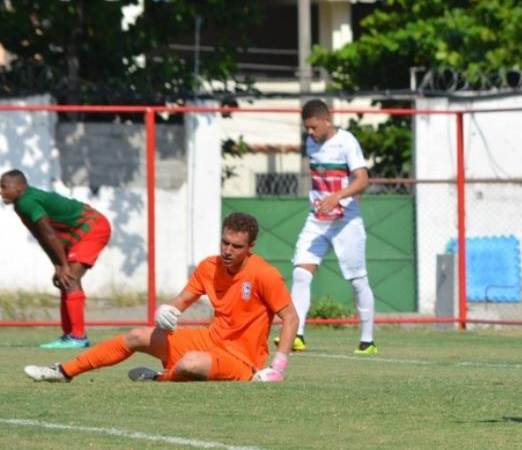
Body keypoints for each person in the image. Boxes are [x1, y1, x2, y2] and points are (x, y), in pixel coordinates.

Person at [24, 211, 300, 383]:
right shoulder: (209, 266)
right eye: (224, 242)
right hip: (209, 340)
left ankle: (158, 378)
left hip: (242, 359)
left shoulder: (264, 274)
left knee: (190, 363)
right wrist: (166, 311)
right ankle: (63, 371)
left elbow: (291, 318)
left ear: (250, 247)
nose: (228, 250)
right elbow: (181, 302)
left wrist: (278, 367)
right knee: (136, 335)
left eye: (236, 246)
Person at [279, 99, 378, 355]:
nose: (310, 132)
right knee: (301, 273)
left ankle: (367, 341)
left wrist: (338, 196)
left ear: (327, 120)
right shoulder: (310, 143)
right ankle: (297, 334)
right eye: (307, 128)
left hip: (346, 222)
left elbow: (363, 179)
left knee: (358, 280)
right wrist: (324, 201)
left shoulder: (347, 142)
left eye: (314, 127)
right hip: (317, 220)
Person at [1, 169, 112, 349]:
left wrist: (63, 265)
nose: (1, 191)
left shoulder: (27, 201)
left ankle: (78, 337)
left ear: (20, 187)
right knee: (64, 280)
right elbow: (42, 237)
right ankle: (70, 336)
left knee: (70, 279)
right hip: (78, 231)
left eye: (4, 186)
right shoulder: (20, 205)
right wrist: (58, 265)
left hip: (92, 227)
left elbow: (49, 234)